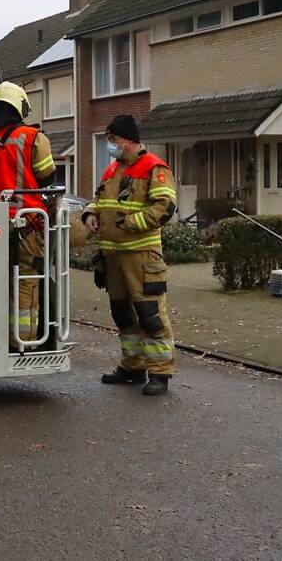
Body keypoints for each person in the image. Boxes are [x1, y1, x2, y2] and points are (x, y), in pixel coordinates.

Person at [82, 115, 177, 396]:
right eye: (110, 140)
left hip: (142, 256)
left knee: (150, 315)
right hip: (113, 257)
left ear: (131, 140)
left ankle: (160, 373)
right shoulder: (112, 171)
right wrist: (90, 213)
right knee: (122, 314)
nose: (111, 146)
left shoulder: (154, 168)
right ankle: (132, 367)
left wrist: (131, 223)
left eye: (115, 140)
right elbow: (100, 201)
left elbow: (165, 207)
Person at [0, 82, 56, 346]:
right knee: (27, 281)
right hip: (27, 222)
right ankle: (23, 341)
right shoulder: (33, 137)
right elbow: (47, 175)